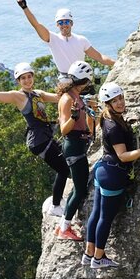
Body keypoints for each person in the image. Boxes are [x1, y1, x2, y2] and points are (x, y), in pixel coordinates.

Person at [0, 63, 69, 216]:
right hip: (39, 141)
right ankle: (55, 206)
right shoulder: (18, 96)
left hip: (45, 137)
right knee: (63, 169)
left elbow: (60, 98)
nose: (27, 80)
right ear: (18, 81)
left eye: (29, 77)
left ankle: (57, 199)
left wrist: (75, 88)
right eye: (23, 78)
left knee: (65, 161)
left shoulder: (38, 93)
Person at [83, 82, 140, 268]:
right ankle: (99, 257)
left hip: (102, 170)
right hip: (113, 176)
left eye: (121, 98)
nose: (120, 103)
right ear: (108, 104)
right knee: (105, 218)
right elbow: (124, 156)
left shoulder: (107, 117)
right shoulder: (114, 128)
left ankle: (89, 253)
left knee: (96, 213)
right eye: (115, 100)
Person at [16, 0, 115, 77]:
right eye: (60, 23)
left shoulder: (81, 40)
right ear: (57, 25)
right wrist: (25, 7)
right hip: (65, 79)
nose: (64, 25)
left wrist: (117, 63)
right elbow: (36, 25)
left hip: (82, 79)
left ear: (71, 23)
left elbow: (99, 57)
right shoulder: (52, 39)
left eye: (66, 22)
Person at [54, 60, 95, 240]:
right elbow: (64, 129)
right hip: (73, 145)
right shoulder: (67, 99)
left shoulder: (76, 96)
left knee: (77, 187)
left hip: (79, 143)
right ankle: (65, 228)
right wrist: (74, 117)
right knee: (80, 190)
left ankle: (63, 223)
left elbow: (87, 125)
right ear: (83, 81)